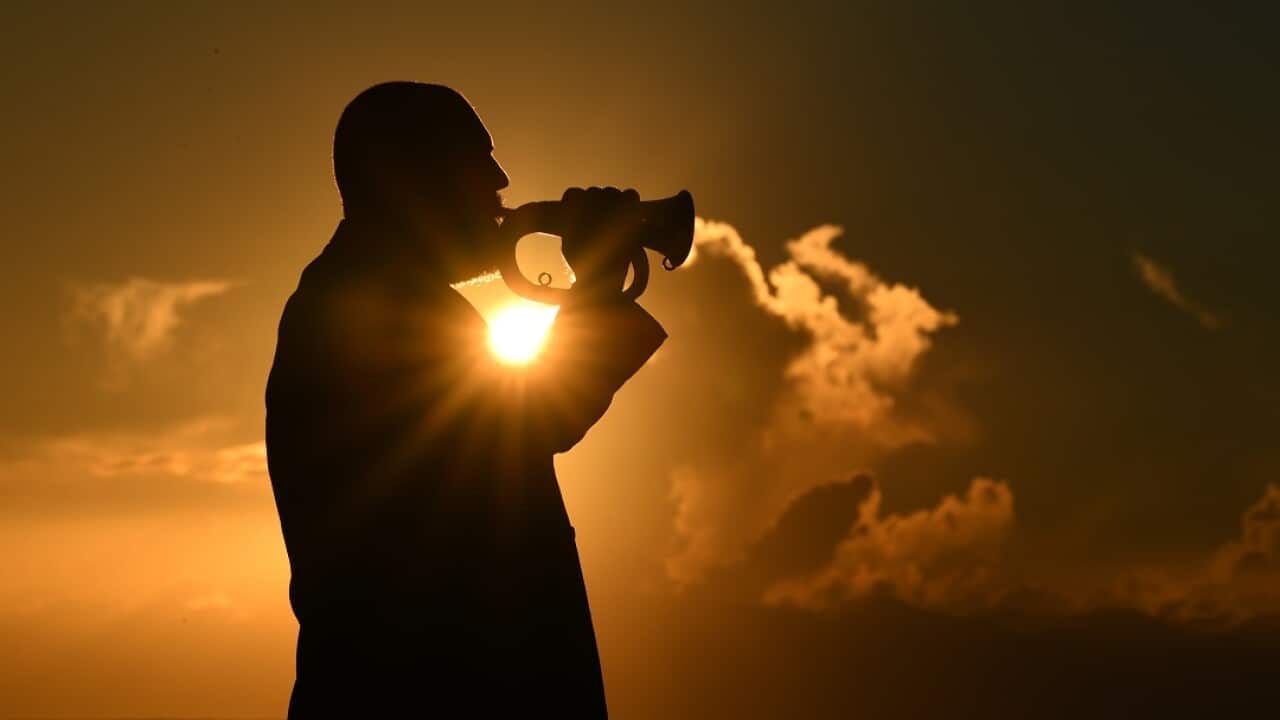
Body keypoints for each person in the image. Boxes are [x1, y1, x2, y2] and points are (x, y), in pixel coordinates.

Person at [265, 82, 666, 717]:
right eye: (478, 162)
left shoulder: (366, 295)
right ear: (412, 179)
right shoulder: (372, 305)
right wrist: (593, 288)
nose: (501, 182)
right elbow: (531, 426)